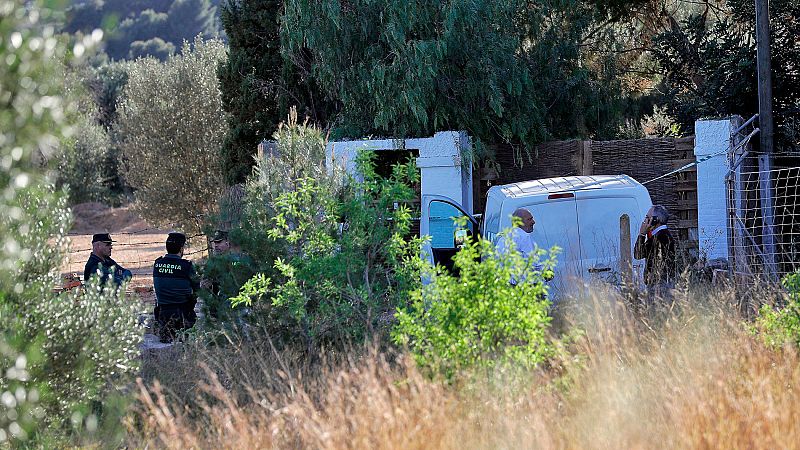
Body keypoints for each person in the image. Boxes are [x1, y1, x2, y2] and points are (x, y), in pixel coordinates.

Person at [153, 232, 200, 343]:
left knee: (166, 342)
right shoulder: (186, 266)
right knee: (186, 343)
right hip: (183, 313)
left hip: (163, 314)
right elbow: (197, 290)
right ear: (181, 248)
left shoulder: (157, 264)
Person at [200, 230, 254, 321]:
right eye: (214, 243)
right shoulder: (212, 263)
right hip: (223, 308)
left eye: (219, 242)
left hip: (244, 304)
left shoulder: (244, 259)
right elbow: (205, 286)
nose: (216, 245)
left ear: (227, 242)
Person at [495, 208, 550, 284]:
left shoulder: (503, 239)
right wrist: (548, 272)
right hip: (521, 289)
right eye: (529, 219)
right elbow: (534, 263)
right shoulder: (524, 237)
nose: (533, 222)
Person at [634, 205, 676, 301]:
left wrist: (641, 234)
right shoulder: (664, 235)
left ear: (655, 220)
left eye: (647, 218)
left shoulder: (659, 237)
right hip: (663, 284)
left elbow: (638, 254)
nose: (645, 221)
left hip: (659, 287)